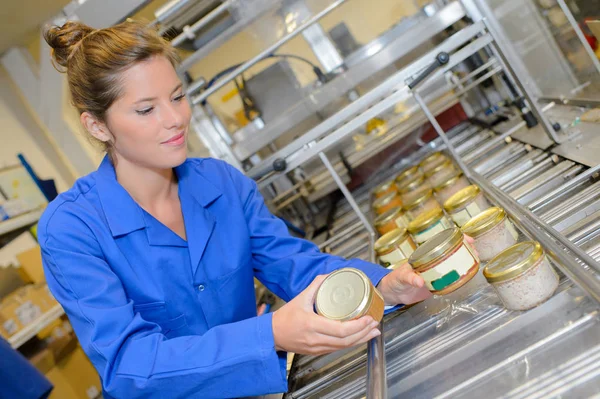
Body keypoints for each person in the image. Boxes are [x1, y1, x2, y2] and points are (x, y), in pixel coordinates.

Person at [39, 20, 432, 399]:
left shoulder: (222, 184)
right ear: (97, 127)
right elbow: (129, 366)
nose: (176, 119)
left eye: (177, 96)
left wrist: (380, 286)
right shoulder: (73, 229)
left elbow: (296, 265)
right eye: (146, 110)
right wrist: (270, 334)